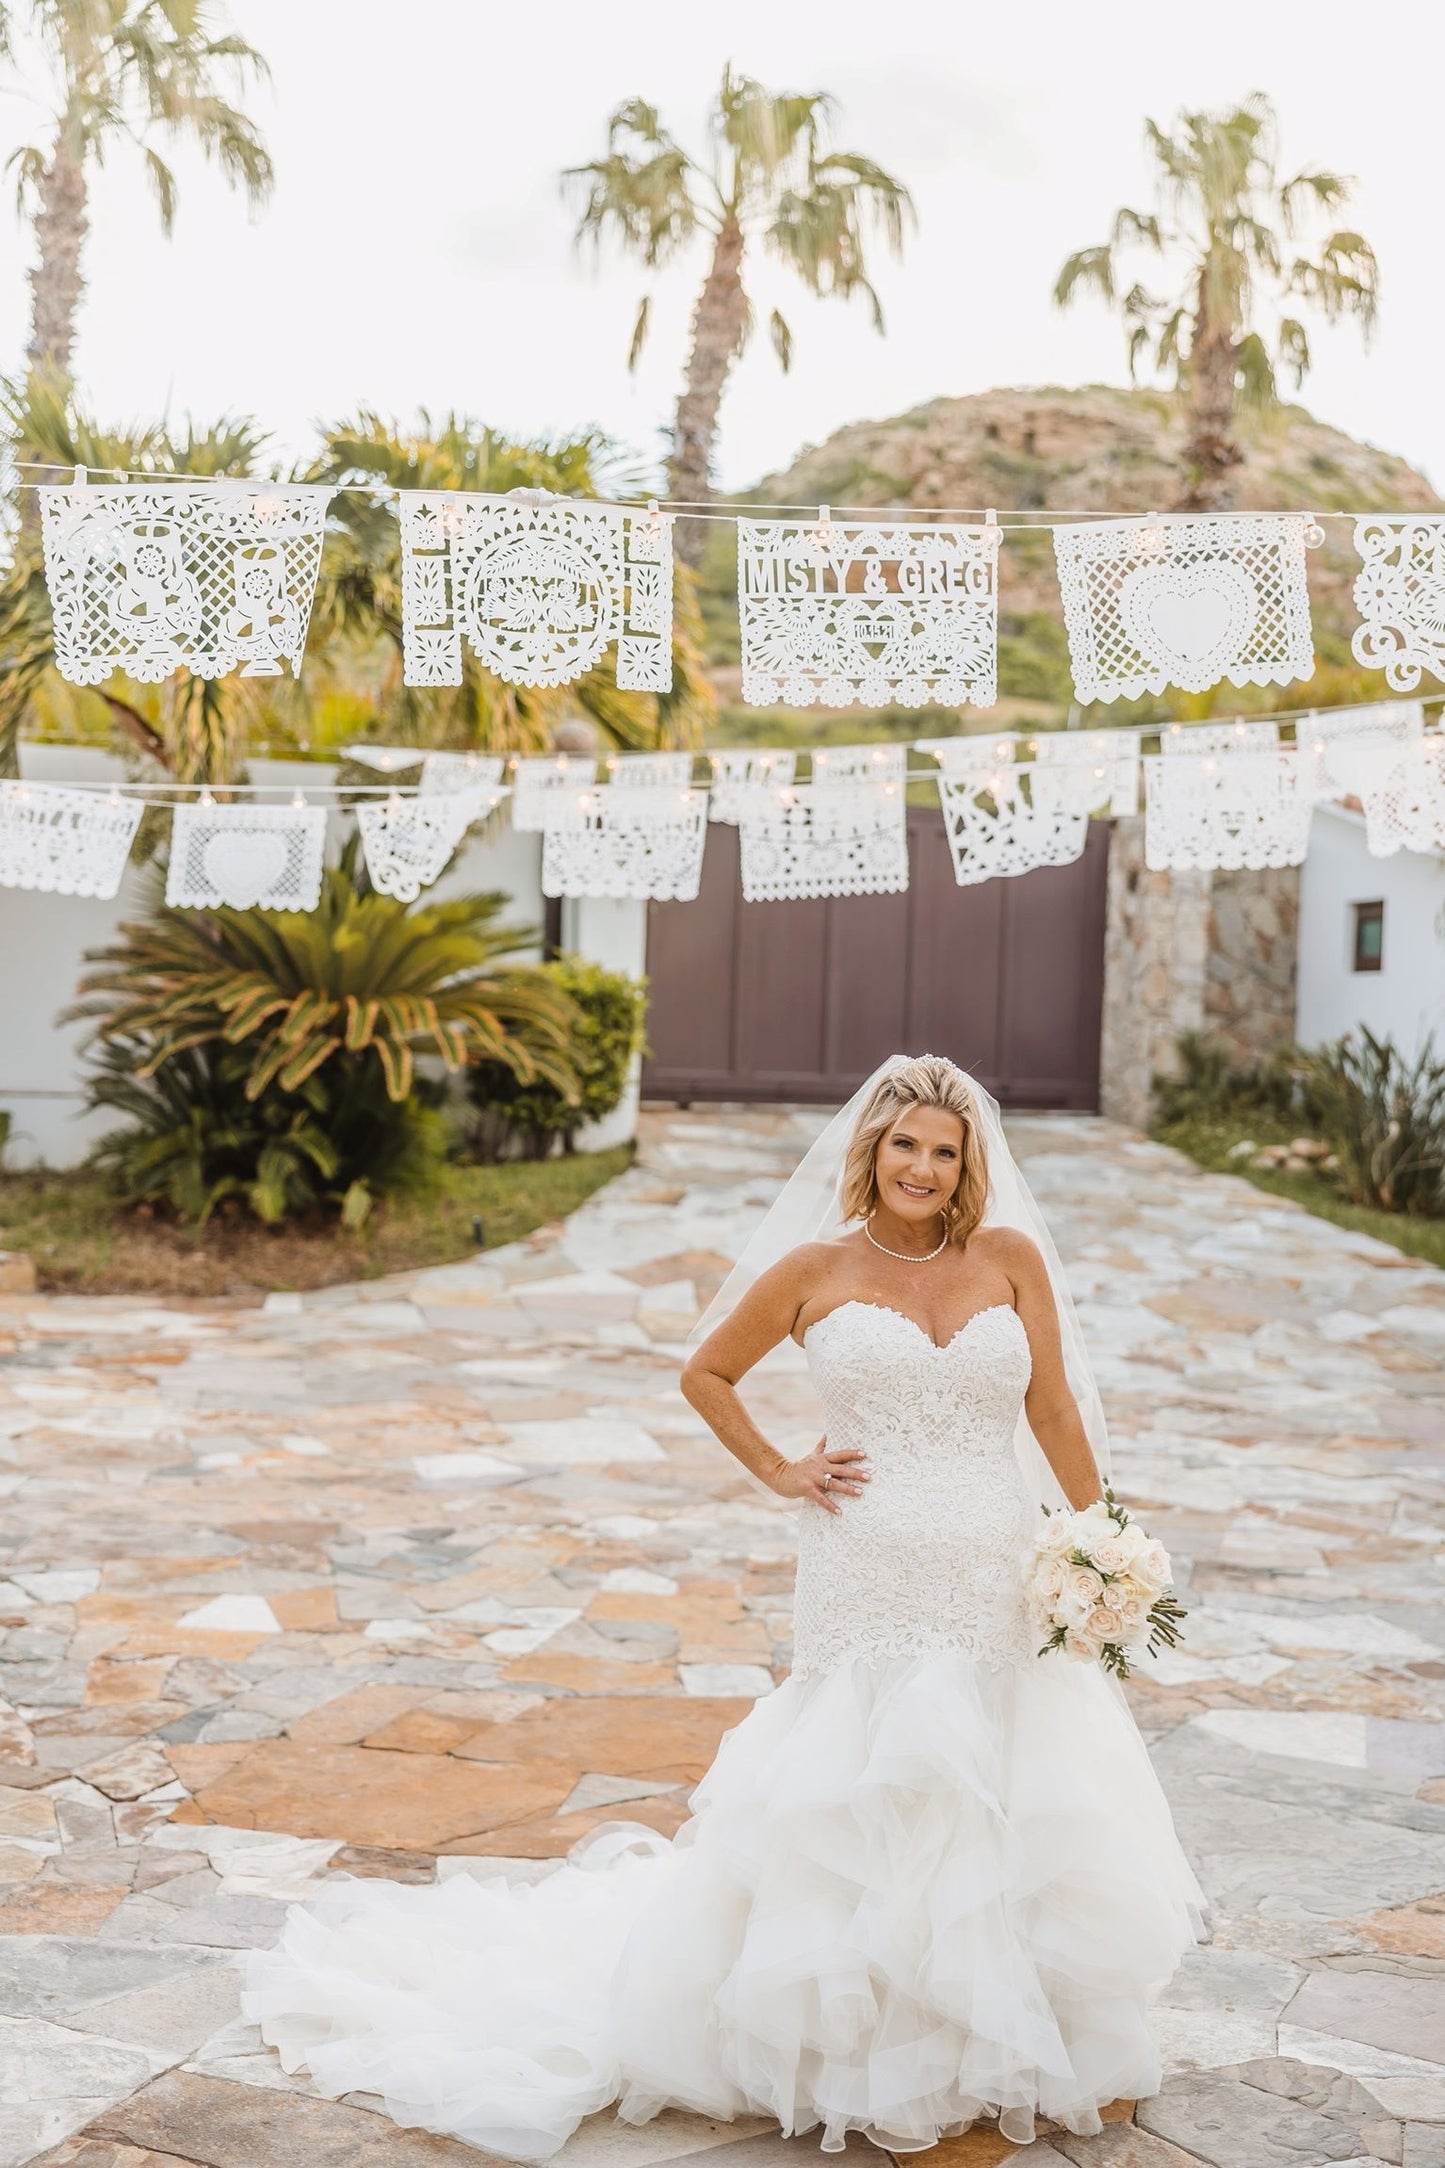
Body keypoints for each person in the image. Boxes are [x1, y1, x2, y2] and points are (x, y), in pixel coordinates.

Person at [242, 1053, 1203, 2157]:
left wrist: (1101, 1539)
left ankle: (1030, 2037)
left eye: (945, 1151)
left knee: (1005, 1784)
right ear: (871, 1151)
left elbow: (1051, 1406)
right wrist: (777, 1468)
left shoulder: (1007, 1258)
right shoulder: (812, 1266)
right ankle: (865, 2045)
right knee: (874, 1780)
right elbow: (706, 1371)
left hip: (994, 1564)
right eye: (905, 1146)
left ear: (967, 1163)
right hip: (868, 1571)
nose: (924, 1167)